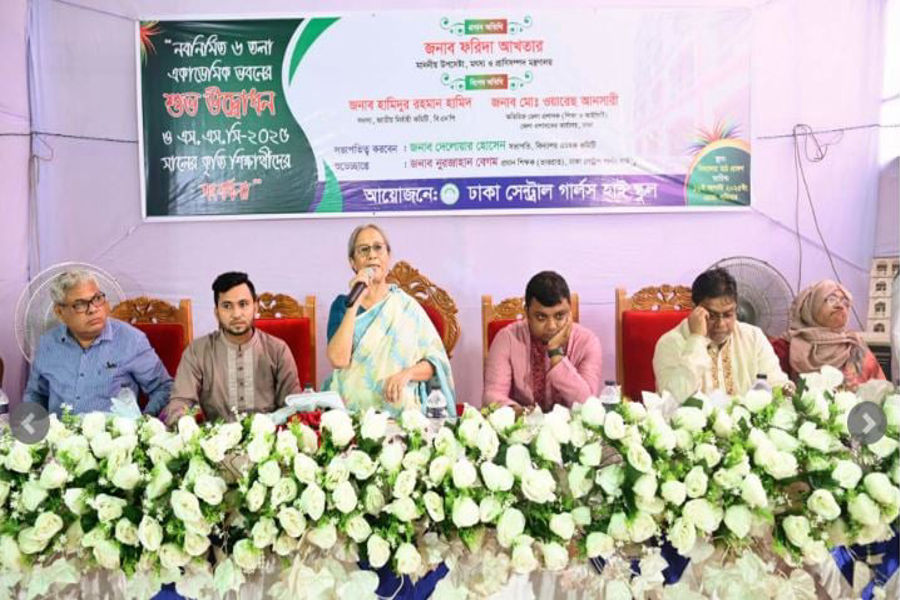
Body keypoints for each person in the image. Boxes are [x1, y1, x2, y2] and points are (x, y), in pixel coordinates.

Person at [324, 224, 455, 415]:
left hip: (403, 415)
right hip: (352, 416)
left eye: (378, 247)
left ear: (388, 256)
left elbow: (435, 363)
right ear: (353, 262)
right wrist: (354, 302)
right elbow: (338, 360)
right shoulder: (343, 305)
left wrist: (407, 374)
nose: (372, 255)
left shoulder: (406, 307)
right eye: (363, 250)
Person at [24, 270, 172, 415]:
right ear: (59, 312)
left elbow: (163, 388)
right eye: (80, 304)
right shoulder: (48, 344)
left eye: (97, 299)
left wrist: (144, 423)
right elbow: (35, 395)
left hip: (112, 431)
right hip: (61, 430)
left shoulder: (131, 340)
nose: (93, 309)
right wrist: (32, 428)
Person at [161, 272, 300, 424]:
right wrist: (185, 425)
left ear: (255, 307)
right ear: (216, 312)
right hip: (214, 437)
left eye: (243, 304)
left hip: (270, 436)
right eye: (227, 306)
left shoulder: (278, 350)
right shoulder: (197, 351)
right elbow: (180, 403)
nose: (236, 314)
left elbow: (292, 407)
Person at [653, 267, 788, 402]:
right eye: (711, 316)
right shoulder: (670, 343)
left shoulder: (753, 337)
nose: (721, 324)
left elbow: (776, 384)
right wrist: (696, 339)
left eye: (728, 314)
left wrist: (786, 390)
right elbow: (670, 400)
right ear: (695, 310)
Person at [483, 271, 601, 411]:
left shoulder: (587, 342)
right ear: (527, 313)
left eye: (559, 316)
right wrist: (522, 414)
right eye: (541, 317)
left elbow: (588, 405)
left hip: (572, 424)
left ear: (570, 312)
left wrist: (556, 353)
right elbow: (492, 396)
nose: (551, 326)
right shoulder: (507, 339)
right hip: (522, 422)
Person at [784, 279, 885, 390]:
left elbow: (882, 391)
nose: (840, 305)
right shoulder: (786, 347)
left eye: (845, 302)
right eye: (832, 299)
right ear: (812, 305)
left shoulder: (856, 348)